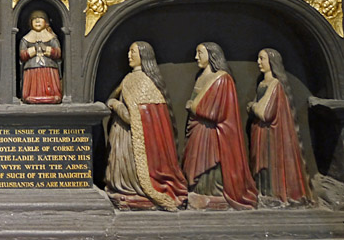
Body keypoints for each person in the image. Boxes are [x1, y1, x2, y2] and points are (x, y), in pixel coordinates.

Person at [105, 41, 187, 210]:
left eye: (133, 52)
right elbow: (114, 96)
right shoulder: (129, 78)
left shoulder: (144, 83)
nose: (129, 55)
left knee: (130, 175)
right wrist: (114, 99)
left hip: (133, 140)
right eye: (129, 52)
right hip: (124, 135)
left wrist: (116, 105)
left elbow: (131, 118)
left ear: (143, 56)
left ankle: (134, 190)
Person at [182, 42, 258, 210]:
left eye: (200, 53)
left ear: (211, 55)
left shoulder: (222, 78)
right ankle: (199, 191)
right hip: (198, 130)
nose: (196, 57)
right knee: (196, 164)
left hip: (213, 132)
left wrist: (193, 106)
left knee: (211, 167)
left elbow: (217, 112)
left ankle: (213, 195)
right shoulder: (202, 77)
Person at [248, 48, 312, 206]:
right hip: (261, 132)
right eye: (258, 58)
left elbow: (265, 113)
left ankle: (275, 196)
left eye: (262, 58)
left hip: (272, 134)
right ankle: (264, 193)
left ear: (272, 62)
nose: (258, 62)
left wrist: (253, 106)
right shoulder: (263, 83)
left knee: (271, 165)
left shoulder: (275, 85)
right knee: (263, 167)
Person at [18, 10, 62, 104]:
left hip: (49, 67)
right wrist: (33, 50)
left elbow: (58, 53)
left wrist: (47, 49)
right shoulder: (26, 39)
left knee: (49, 84)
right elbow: (22, 55)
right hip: (32, 68)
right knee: (33, 85)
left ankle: (53, 95)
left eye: (40, 19)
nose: (37, 21)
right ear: (30, 23)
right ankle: (30, 96)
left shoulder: (51, 38)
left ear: (46, 22)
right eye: (34, 19)